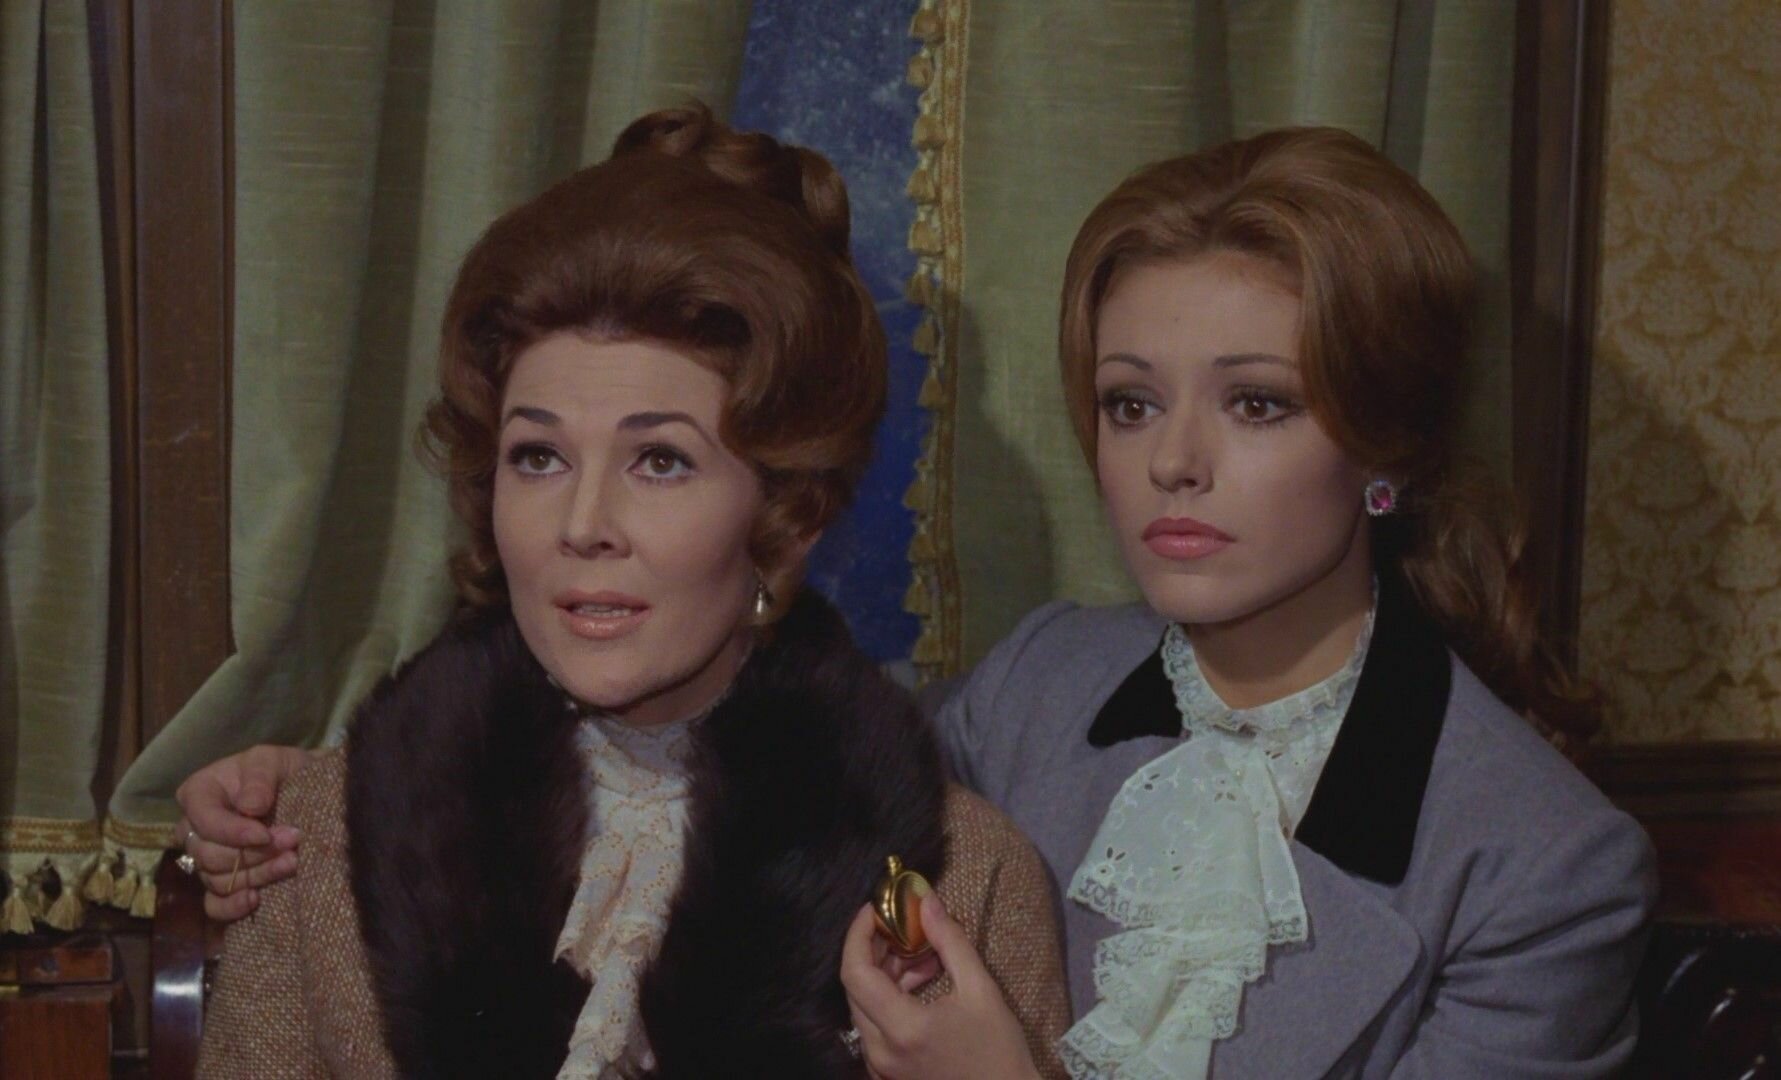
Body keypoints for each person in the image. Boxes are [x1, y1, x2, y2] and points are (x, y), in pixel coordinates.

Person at [187, 126, 1656, 1079]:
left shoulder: (1541, 869)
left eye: (1257, 404)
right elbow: (752, 755)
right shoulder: (1037, 688)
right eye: (1129, 401)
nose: (1176, 463)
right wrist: (324, 791)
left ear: (1386, 443)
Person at [192, 104, 1069, 1079]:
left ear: (789, 512)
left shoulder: (963, 878)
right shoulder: (318, 834)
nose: (582, 524)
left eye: (659, 461)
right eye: (538, 457)